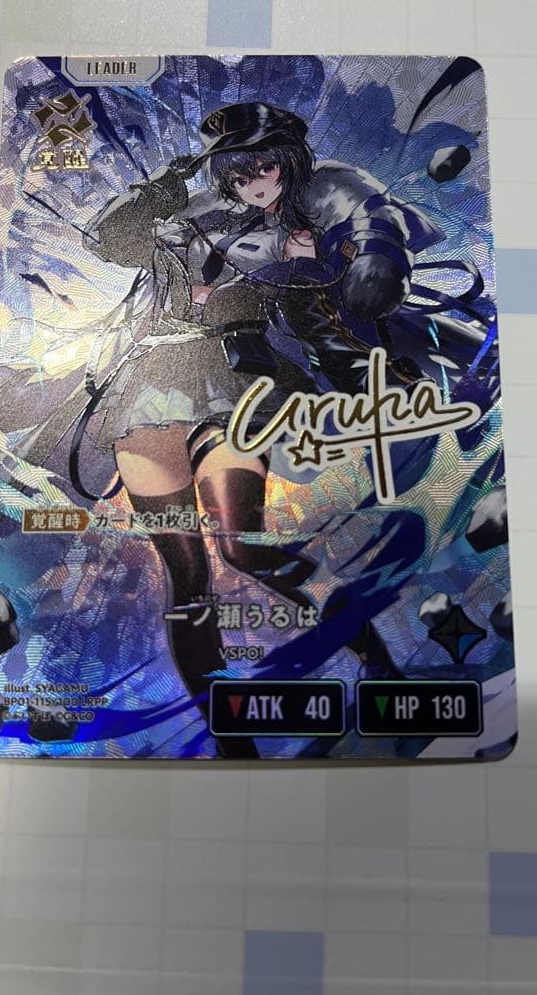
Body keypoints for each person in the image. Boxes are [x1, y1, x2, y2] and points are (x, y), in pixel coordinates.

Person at [82, 101, 442, 757]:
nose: (252, 183)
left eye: (264, 168)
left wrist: (362, 261)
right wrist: (161, 186)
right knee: (186, 576)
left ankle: (377, 662)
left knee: (245, 547)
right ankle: (232, 740)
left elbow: (342, 244)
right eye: (238, 172)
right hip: (147, 398)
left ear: (286, 165)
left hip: (230, 391)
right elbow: (104, 240)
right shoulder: (188, 215)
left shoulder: (289, 231)